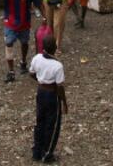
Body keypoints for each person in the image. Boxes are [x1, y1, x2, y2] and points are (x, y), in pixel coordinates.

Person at [30, 34, 67, 162]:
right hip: (52, 95)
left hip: (40, 92)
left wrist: (41, 82)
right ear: (55, 47)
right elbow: (60, 87)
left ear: (43, 46)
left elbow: (32, 73)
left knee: (40, 121)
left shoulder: (37, 58)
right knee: (52, 124)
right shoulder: (57, 65)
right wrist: (64, 102)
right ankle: (47, 153)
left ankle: (37, 151)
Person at [1, 0, 42, 83]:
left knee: (24, 43)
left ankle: (23, 61)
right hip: (10, 22)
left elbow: (38, 3)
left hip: (24, 22)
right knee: (8, 43)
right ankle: (11, 71)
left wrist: (44, 17)